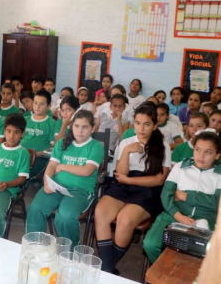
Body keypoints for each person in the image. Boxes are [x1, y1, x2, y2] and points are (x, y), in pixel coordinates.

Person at [94, 103, 170, 273]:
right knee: (100, 212)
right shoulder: (127, 142)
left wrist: (129, 181)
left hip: (147, 189)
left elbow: (159, 180)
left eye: (147, 124)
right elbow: (120, 174)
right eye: (137, 123)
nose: (141, 128)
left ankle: (105, 267)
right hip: (124, 184)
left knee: (125, 219)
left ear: (155, 125)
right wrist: (127, 151)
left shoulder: (162, 147)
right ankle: (108, 267)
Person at [26, 110, 104, 246]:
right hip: (57, 186)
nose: (80, 131)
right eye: (77, 126)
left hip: (80, 191)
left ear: (92, 128)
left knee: (65, 217)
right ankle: (34, 246)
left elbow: (87, 171)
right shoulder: (62, 143)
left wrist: (62, 167)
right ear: (71, 126)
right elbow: (51, 165)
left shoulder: (96, 146)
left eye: (85, 127)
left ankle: (70, 252)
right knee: (35, 208)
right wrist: (47, 182)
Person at [144, 131, 221, 263]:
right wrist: (178, 215)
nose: (201, 156)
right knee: (150, 244)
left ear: (217, 155)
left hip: (207, 218)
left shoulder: (219, 175)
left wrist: (184, 195)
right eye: (197, 150)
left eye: (208, 152)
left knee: (208, 256)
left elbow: (216, 203)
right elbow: (166, 195)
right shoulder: (181, 167)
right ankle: (165, 273)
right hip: (173, 213)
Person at [21, 90, 56, 179]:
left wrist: (35, 154)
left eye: (42, 104)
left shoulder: (52, 123)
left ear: (48, 106)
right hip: (20, 154)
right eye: (36, 103)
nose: (37, 107)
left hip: (38, 159)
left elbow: (52, 147)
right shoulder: (25, 119)